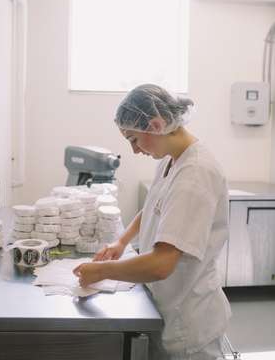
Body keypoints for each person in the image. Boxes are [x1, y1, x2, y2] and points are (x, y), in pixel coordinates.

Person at [73, 84, 232, 360]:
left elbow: (161, 264)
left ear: (156, 125)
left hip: (189, 321)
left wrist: (101, 272)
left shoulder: (195, 174)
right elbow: (153, 207)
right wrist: (121, 242)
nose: (134, 150)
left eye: (133, 139)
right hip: (169, 306)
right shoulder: (171, 161)